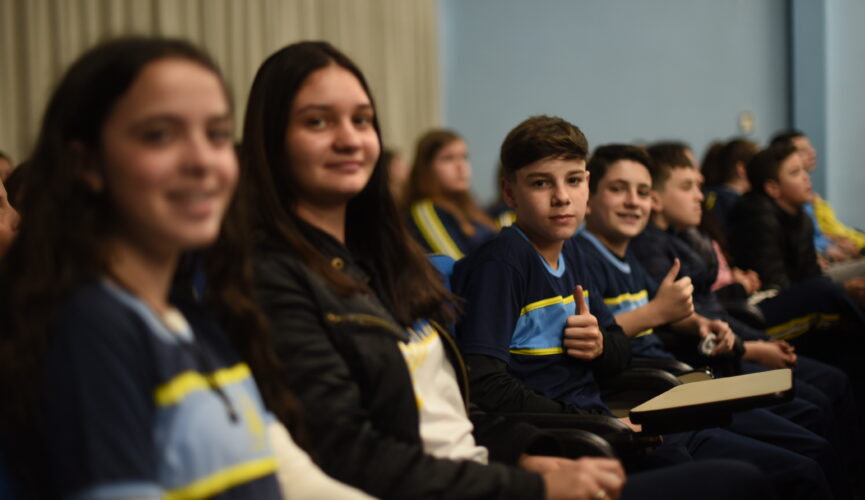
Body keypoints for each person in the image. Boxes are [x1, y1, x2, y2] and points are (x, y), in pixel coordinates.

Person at [239, 41, 775, 500]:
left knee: (761, 463)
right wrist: (546, 468)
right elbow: (368, 446)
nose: (349, 138)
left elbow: (451, 409)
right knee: (745, 479)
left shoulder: (380, 263)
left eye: (361, 120)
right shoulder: (279, 278)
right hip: (496, 473)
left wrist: (533, 450)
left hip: (519, 453)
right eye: (317, 121)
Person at [0, 36, 369, 500]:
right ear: (86, 162)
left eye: (216, 134)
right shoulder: (89, 327)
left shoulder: (194, 314)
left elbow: (293, 478)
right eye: (160, 134)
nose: (202, 161)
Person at [451, 115, 831, 500]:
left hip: (612, 422)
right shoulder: (503, 262)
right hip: (578, 441)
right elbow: (484, 383)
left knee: (803, 463)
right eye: (540, 182)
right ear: (510, 193)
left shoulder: (572, 254)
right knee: (761, 477)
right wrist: (598, 422)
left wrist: (599, 343)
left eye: (573, 179)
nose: (562, 196)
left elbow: (617, 352)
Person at [406, 129, 497, 259]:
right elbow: (454, 265)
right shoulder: (424, 210)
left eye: (464, 157)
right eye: (448, 159)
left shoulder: (473, 210)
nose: (461, 166)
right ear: (427, 168)